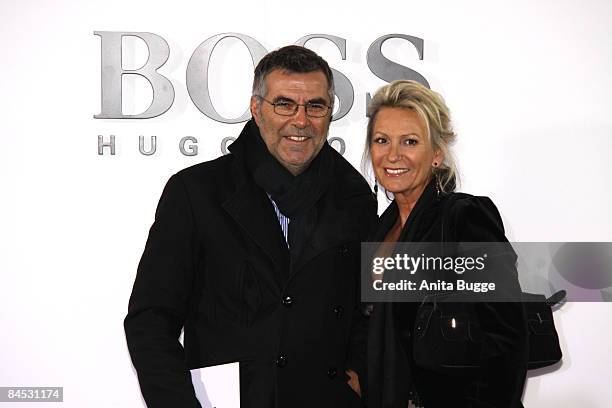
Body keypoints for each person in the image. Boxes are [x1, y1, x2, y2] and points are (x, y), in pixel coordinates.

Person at [124, 45, 377, 408]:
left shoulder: (355, 197)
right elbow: (150, 320)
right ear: (257, 109)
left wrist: (357, 371)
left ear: (329, 113)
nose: (301, 121)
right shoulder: (196, 193)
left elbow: (368, 310)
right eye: (284, 104)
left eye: (315, 106)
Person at [364, 80, 528, 407]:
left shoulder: (464, 218)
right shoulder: (380, 228)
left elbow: (507, 341)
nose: (392, 155)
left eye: (410, 141)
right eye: (382, 140)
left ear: (437, 154)